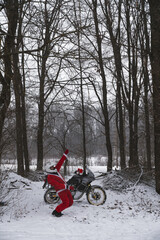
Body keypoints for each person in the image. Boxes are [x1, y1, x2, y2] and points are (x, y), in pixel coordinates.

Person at [46, 149, 73, 217]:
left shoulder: (56, 170)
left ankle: (58, 210)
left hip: (65, 188)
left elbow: (60, 162)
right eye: (52, 167)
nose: (54, 167)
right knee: (66, 203)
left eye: (53, 166)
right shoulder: (49, 177)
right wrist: (66, 187)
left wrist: (65, 155)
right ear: (48, 168)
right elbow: (57, 184)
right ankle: (56, 211)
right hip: (61, 190)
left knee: (70, 202)